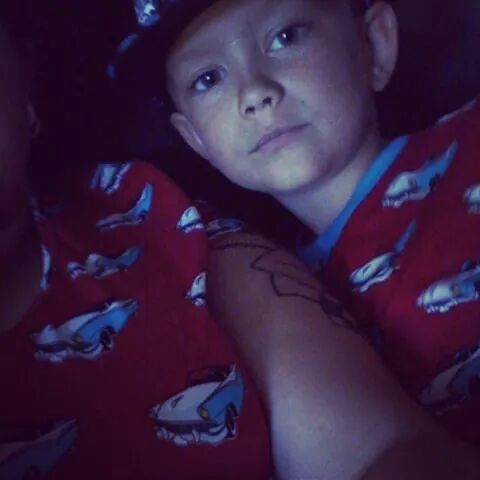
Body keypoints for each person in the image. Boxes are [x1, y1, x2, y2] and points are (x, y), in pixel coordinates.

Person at [0, 2, 478, 480]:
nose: (254, 92)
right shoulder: (271, 282)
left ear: (374, 44)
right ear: (195, 140)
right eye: (208, 79)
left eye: (286, 37)